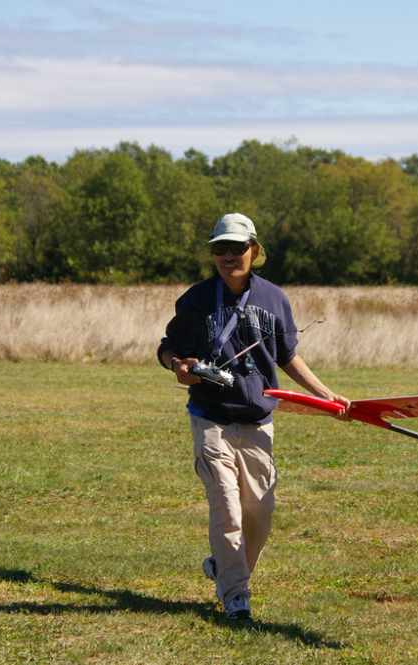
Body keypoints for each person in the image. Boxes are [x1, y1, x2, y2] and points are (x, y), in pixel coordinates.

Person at [158, 213, 350, 621]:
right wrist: (177, 365)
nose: (228, 255)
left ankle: (223, 568)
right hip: (211, 417)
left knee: (259, 511)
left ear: (254, 251)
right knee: (226, 505)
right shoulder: (195, 300)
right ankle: (235, 597)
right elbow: (168, 348)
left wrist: (326, 395)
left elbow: (288, 357)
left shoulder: (275, 299)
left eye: (237, 248)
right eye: (219, 249)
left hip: (259, 421)